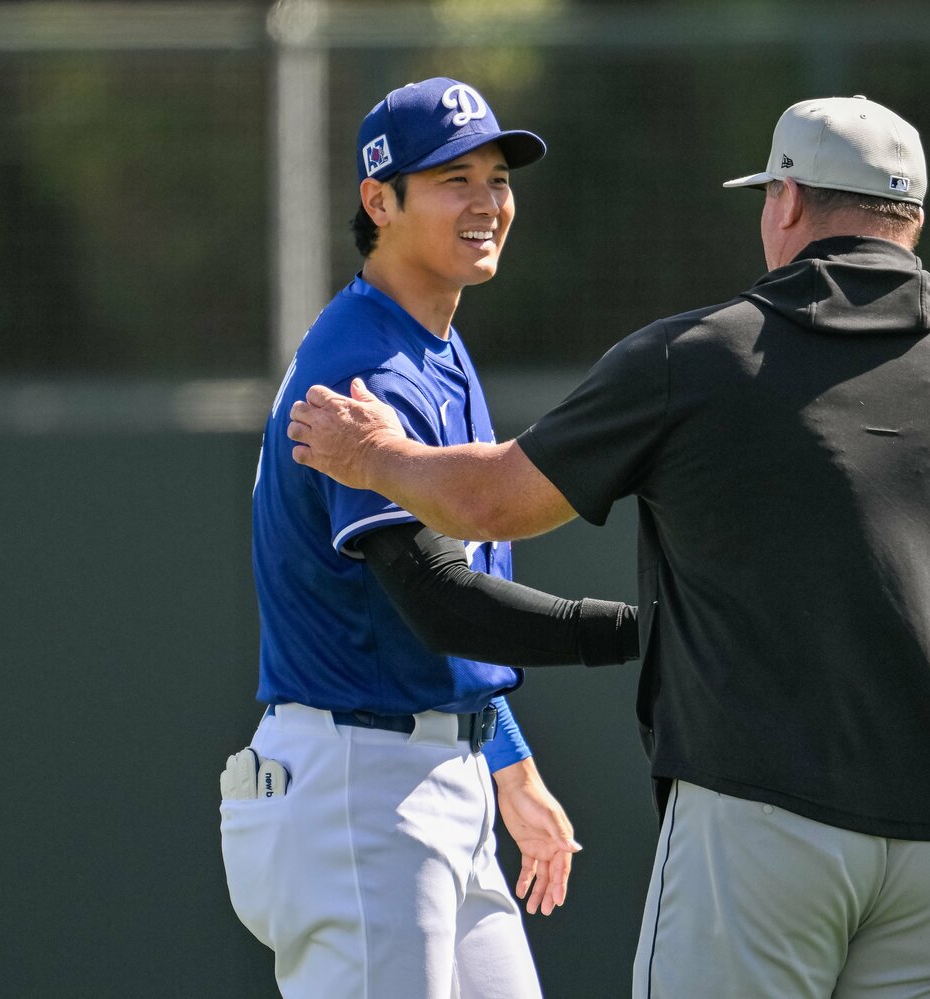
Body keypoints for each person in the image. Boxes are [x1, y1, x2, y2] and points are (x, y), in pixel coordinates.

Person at [287, 94, 930, 999]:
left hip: (762, 817)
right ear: (915, 220)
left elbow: (491, 503)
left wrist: (373, 452)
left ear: (783, 202)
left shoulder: (694, 358)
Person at [219, 78, 640, 999]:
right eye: (454, 178)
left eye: (498, 176)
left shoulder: (430, 344)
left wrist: (506, 760)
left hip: (423, 772)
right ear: (380, 201)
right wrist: (645, 630)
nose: (488, 202)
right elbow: (438, 598)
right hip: (356, 788)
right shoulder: (363, 368)